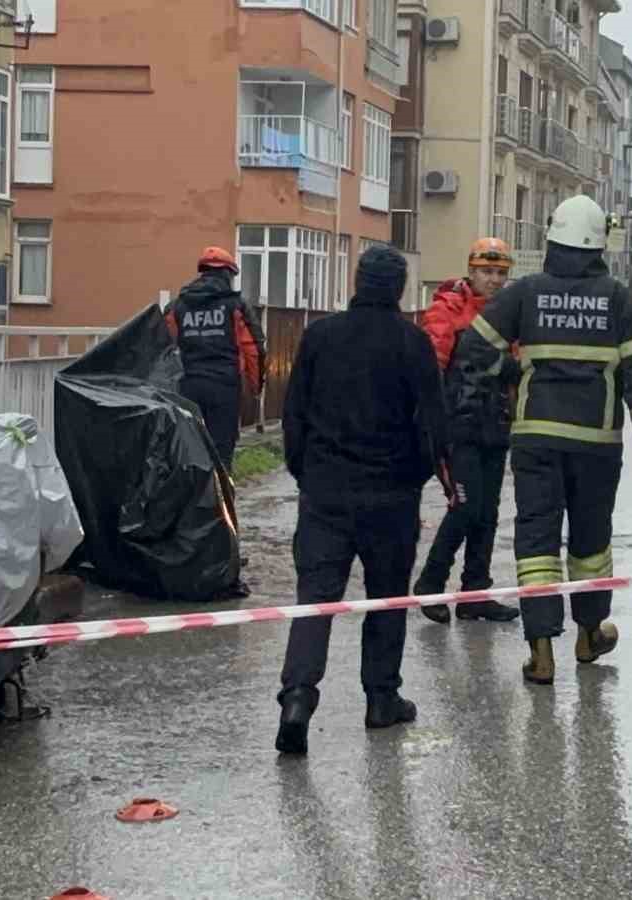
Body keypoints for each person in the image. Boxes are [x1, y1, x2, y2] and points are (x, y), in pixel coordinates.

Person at [450, 195, 632, 686]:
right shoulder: (618, 300)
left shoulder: (526, 293)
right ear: (598, 244)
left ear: (552, 240)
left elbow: (473, 346)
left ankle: (541, 651)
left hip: (536, 440)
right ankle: (589, 634)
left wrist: (513, 372)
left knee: (536, 540)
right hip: (596, 444)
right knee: (591, 541)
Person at [275, 245, 452, 756]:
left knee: (315, 599)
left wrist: (306, 473)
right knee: (386, 597)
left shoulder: (320, 336)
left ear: (356, 281)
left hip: (325, 492)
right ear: (399, 288)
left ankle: (298, 697)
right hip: (391, 495)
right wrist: (420, 475)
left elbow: (293, 415)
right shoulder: (413, 343)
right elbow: (434, 424)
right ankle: (381, 699)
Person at [413, 237, 522, 624]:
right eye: (486, 272)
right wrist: (430, 425)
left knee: (487, 512)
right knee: (465, 507)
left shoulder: (509, 315)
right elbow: (429, 371)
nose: (494, 280)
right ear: (471, 271)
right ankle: (430, 584)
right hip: (456, 428)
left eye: (500, 273)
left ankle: (476, 592)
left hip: (495, 425)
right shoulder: (447, 309)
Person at [164, 247, 267, 469]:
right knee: (221, 453)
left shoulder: (177, 307)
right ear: (228, 274)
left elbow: (163, 348)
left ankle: (193, 490)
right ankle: (221, 491)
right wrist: (256, 387)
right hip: (224, 388)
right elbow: (253, 349)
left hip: (188, 388)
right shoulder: (235, 306)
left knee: (190, 452)